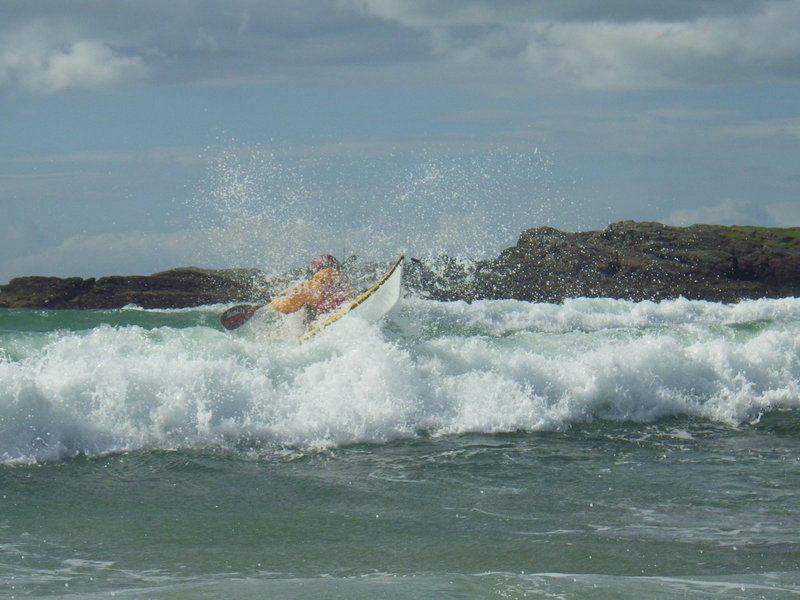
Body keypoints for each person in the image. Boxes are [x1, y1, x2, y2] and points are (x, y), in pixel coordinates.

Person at [270, 254, 351, 321]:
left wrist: (274, 300)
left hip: (318, 323)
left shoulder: (310, 287)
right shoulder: (342, 283)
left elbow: (286, 306)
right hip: (342, 315)